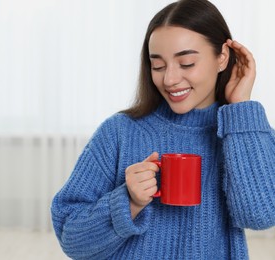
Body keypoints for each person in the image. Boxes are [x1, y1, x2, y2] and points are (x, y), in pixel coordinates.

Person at [51, 0, 275, 259]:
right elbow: (72, 239)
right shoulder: (119, 132)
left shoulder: (245, 132)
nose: (169, 79)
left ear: (222, 58)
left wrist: (240, 109)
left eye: (187, 63)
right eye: (157, 65)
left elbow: (261, 216)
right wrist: (128, 201)